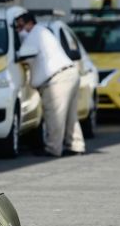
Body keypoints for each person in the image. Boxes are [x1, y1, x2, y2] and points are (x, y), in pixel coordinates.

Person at [16, 12, 85, 157]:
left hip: (57, 79)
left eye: (21, 26)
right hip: (68, 74)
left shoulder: (36, 34)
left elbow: (22, 54)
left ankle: (53, 148)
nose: (19, 30)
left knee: (55, 115)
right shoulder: (42, 31)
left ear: (30, 23)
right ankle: (75, 145)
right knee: (70, 116)